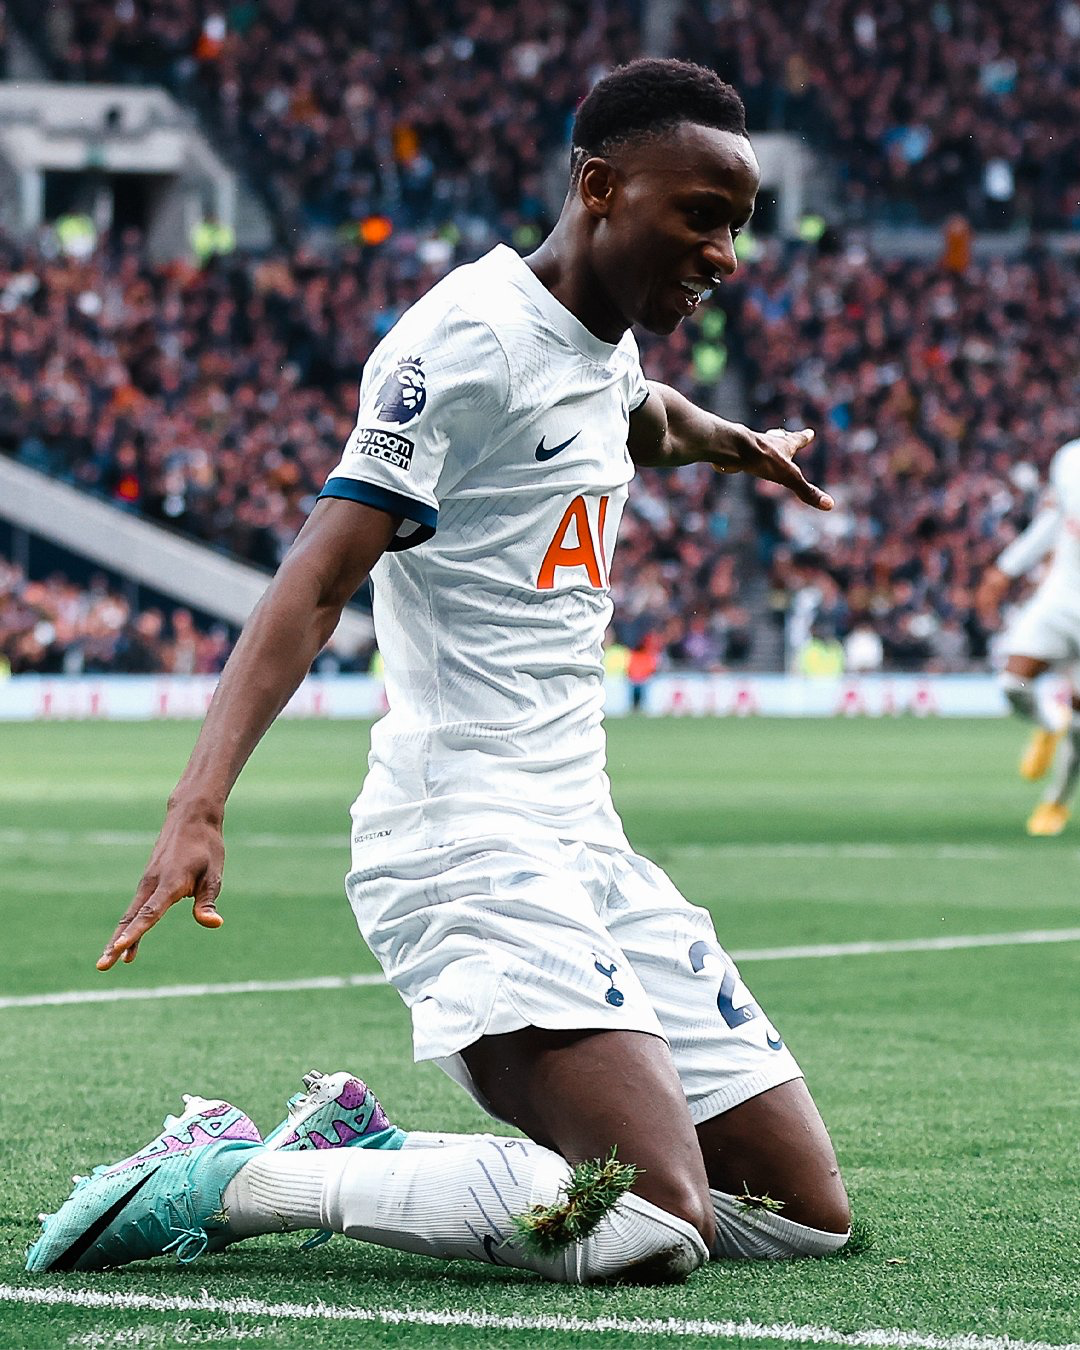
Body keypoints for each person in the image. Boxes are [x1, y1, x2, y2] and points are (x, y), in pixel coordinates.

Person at [29, 59, 850, 1286]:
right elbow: (311, 585)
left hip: (583, 839)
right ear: (599, 186)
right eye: (702, 215)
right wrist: (197, 805)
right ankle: (231, 1175)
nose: (726, 251)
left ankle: (357, 1140)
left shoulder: (601, 344)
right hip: (463, 836)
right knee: (651, 1225)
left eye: (737, 225)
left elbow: (644, 419)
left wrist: (745, 448)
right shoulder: (463, 342)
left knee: (797, 1217)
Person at [977, 437, 1080, 837]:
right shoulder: (1070, 460)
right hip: (1060, 598)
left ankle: (1054, 803)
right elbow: (1053, 521)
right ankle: (1048, 723)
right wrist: (1005, 569)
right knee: (1014, 684)